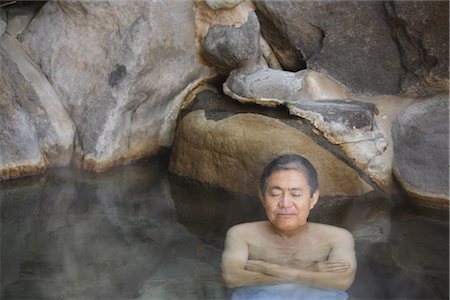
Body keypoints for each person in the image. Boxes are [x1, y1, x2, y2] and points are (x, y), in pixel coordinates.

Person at [221, 154, 357, 300]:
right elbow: (232, 278)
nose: (285, 203)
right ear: (262, 197)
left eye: (295, 194)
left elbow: (342, 282)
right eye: (275, 193)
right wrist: (311, 271)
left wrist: (271, 269)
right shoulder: (242, 234)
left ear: (313, 199)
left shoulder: (337, 238)